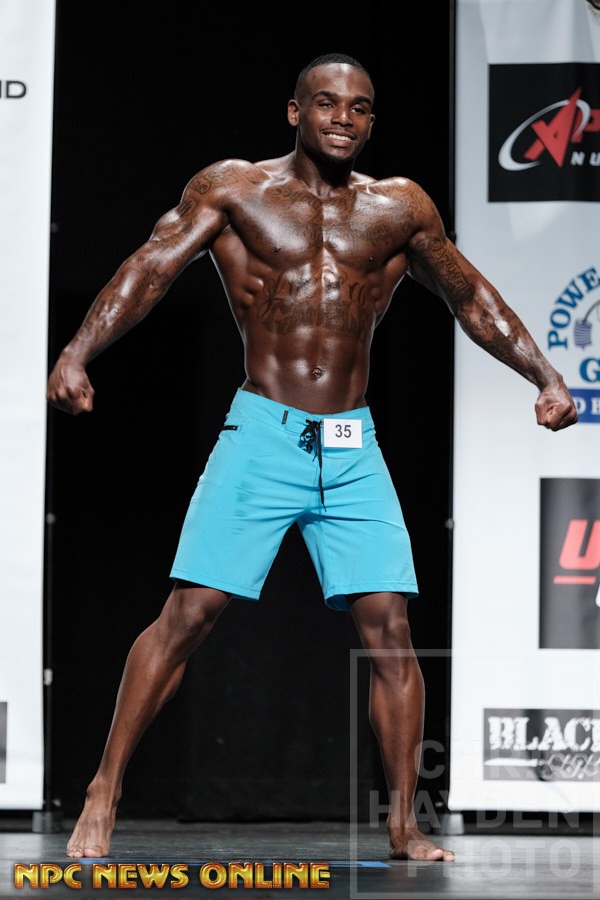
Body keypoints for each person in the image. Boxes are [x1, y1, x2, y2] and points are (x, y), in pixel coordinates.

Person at [46, 52, 578, 864]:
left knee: (391, 631)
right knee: (189, 615)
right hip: (264, 432)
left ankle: (403, 823)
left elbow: (470, 296)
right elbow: (151, 268)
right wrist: (78, 352)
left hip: (351, 444)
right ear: (295, 112)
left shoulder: (399, 207)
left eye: (359, 108)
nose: (342, 118)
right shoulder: (234, 189)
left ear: (371, 122)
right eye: (326, 103)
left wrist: (545, 375)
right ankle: (104, 789)